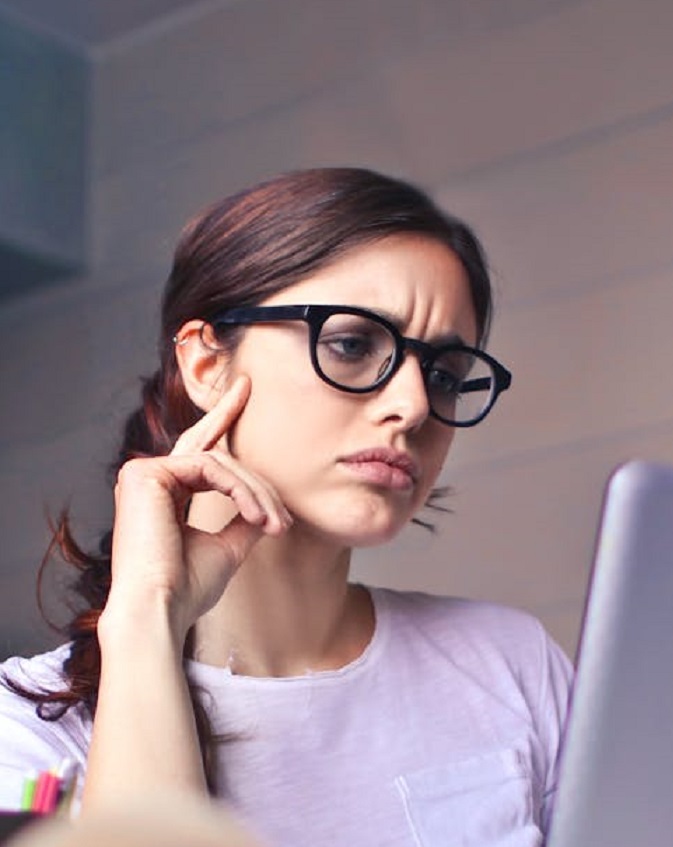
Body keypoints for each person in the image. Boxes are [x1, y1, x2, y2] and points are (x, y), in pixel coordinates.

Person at [0, 168, 573, 847]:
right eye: (353, 345)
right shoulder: (24, 727)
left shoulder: (508, 662)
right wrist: (147, 615)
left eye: (444, 374)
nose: (415, 405)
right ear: (208, 365)